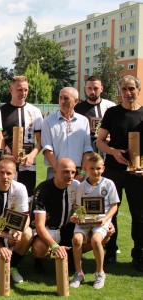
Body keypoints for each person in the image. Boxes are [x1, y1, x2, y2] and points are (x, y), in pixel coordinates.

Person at [96, 75, 143, 270]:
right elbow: (99, 141)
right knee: (110, 213)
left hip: (138, 173)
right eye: (124, 89)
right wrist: (113, 152)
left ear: (138, 90)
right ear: (119, 91)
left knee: (139, 215)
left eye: (131, 88)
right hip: (114, 171)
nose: (128, 92)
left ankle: (139, 254)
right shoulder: (112, 113)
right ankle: (110, 251)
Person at [70, 153, 119, 289]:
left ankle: (100, 273)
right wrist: (76, 216)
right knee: (76, 240)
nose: (95, 171)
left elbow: (114, 206)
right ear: (86, 168)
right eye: (91, 168)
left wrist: (105, 219)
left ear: (103, 168)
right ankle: (78, 272)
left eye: (98, 168)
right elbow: (79, 208)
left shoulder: (109, 184)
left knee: (96, 240)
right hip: (85, 221)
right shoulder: (81, 186)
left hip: (101, 220)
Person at [32, 158, 79, 272]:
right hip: (48, 229)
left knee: (94, 237)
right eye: (66, 172)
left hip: (66, 228)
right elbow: (40, 226)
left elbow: (80, 208)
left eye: (73, 172)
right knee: (40, 248)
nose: (70, 176)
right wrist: (54, 246)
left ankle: (73, 255)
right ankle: (39, 260)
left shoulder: (76, 185)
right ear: (56, 170)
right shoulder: (43, 189)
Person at [1, 76, 43, 202]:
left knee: (27, 198)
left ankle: (26, 222)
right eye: (19, 89)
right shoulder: (1, 111)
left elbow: (40, 140)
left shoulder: (35, 111)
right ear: (11, 90)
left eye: (25, 90)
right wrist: (7, 155)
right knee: (6, 197)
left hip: (28, 164)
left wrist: (32, 155)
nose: (23, 93)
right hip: (8, 162)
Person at [41, 87, 92, 180]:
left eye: (66, 98)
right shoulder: (48, 121)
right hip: (55, 172)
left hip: (78, 173)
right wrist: (59, 170)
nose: (62, 101)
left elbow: (87, 150)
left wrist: (83, 173)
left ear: (76, 101)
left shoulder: (83, 121)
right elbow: (47, 149)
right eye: (60, 98)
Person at [74, 76, 116, 155]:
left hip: (107, 152)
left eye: (96, 88)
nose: (92, 91)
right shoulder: (77, 109)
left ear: (101, 89)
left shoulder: (111, 106)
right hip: (84, 152)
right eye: (89, 88)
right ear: (85, 89)